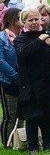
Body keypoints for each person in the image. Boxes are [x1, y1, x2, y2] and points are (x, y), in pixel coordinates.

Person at [14, 9, 50, 155]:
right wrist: (40, 40)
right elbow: (24, 53)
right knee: (32, 119)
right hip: (30, 87)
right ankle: (32, 149)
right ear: (24, 22)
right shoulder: (21, 39)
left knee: (48, 118)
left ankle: (48, 148)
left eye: (36, 19)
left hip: (48, 86)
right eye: (30, 20)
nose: (34, 22)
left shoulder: (48, 36)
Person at [0, 8, 22, 146]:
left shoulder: (22, 36)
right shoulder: (2, 38)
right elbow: (0, 61)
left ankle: (19, 142)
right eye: (20, 17)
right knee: (10, 115)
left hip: (21, 81)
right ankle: (7, 143)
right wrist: (14, 76)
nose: (22, 19)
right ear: (11, 19)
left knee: (21, 116)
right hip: (7, 81)